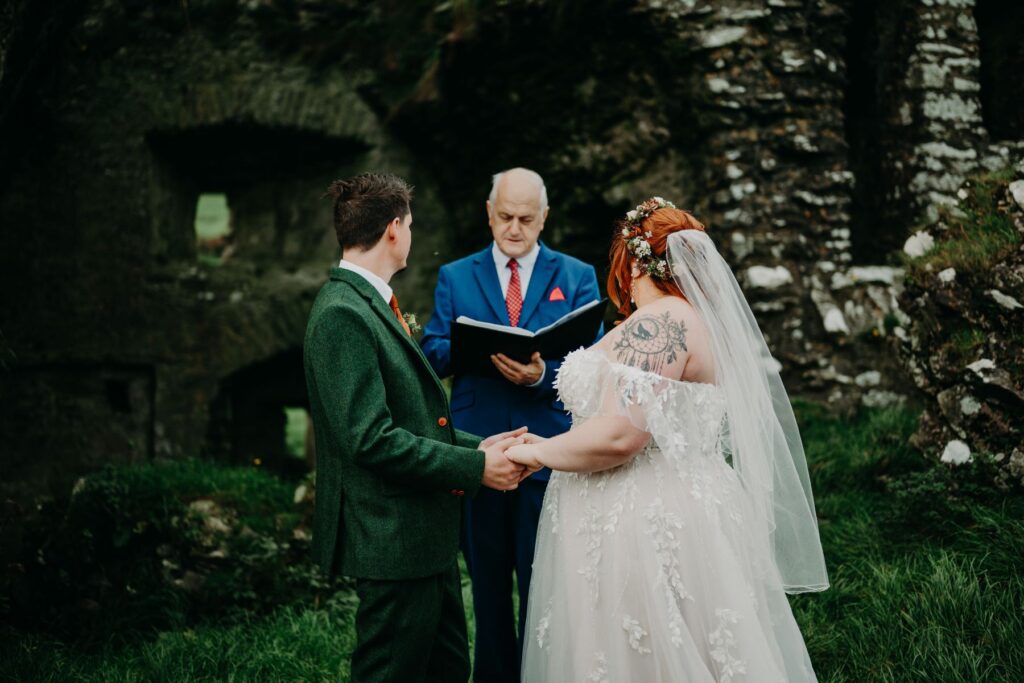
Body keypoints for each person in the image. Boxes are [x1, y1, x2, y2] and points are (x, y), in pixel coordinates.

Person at [506, 198, 830, 681]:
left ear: (635, 261)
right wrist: (557, 442)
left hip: (640, 518)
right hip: (687, 504)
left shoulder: (661, 324)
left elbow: (621, 436)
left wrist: (534, 453)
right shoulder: (698, 323)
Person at [303, 172, 533, 683]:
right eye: (409, 224)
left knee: (446, 671)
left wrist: (484, 445)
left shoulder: (372, 303)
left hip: (424, 540)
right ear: (393, 230)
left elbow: (416, 420)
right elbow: (370, 439)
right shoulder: (343, 313)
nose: (411, 234)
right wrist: (475, 467)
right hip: (391, 541)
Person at [421, 168, 603, 681]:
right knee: (488, 584)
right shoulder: (456, 276)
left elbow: (596, 358)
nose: (515, 228)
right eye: (505, 217)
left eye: (526, 218)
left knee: (545, 584)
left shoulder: (577, 275)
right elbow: (432, 351)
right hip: (479, 450)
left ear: (544, 216)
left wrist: (542, 373)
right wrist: (473, 350)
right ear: (488, 212)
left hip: (549, 450)